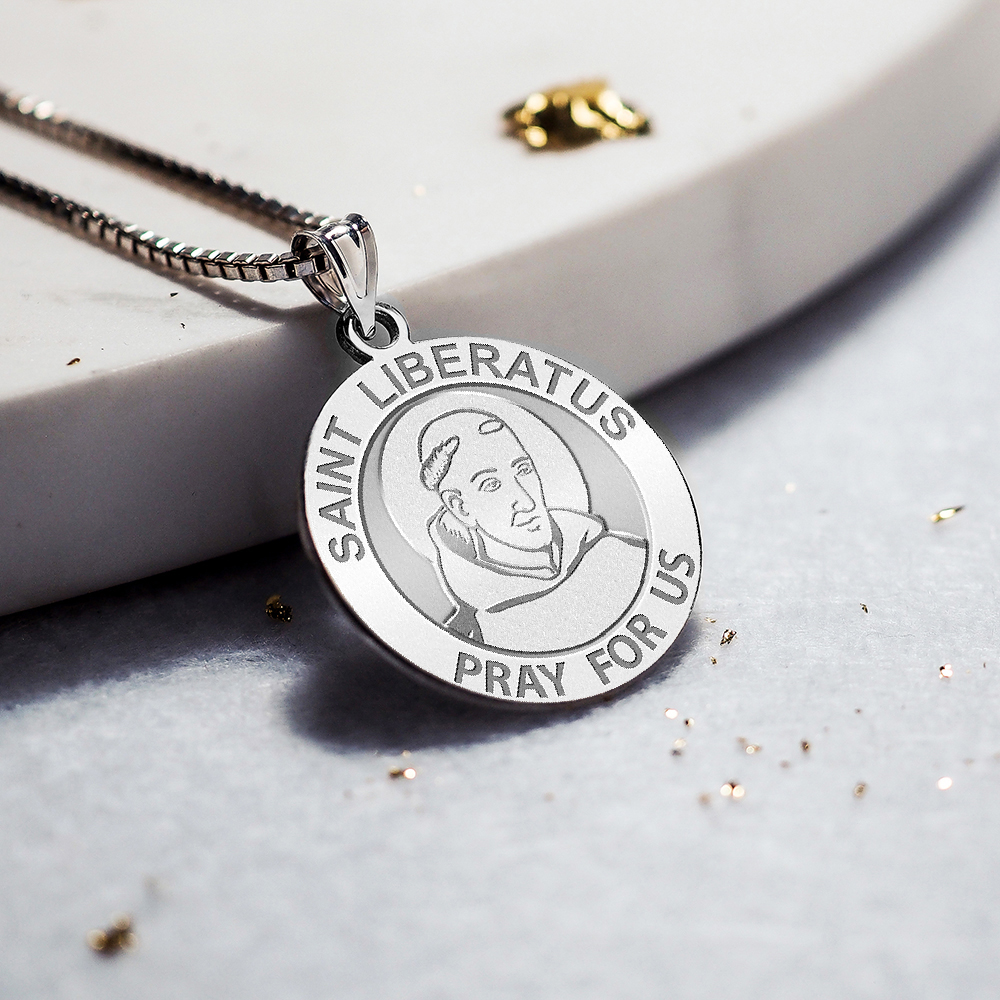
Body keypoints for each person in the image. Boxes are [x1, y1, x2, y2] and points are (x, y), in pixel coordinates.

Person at [417, 408, 647, 651]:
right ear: (460, 507)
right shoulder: (471, 640)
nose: (527, 502)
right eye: (492, 484)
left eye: (523, 470)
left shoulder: (618, 554)